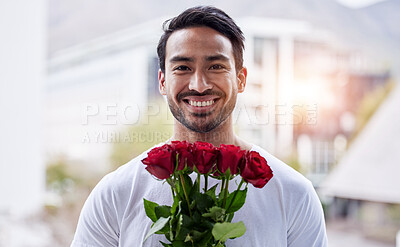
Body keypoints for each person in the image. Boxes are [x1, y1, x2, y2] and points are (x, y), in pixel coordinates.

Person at [71, 6, 328, 247]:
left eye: (215, 66)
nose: (199, 84)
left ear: (240, 79)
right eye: (182, 67)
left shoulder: (294, 194)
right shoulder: (115, 194)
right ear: (162, 82)